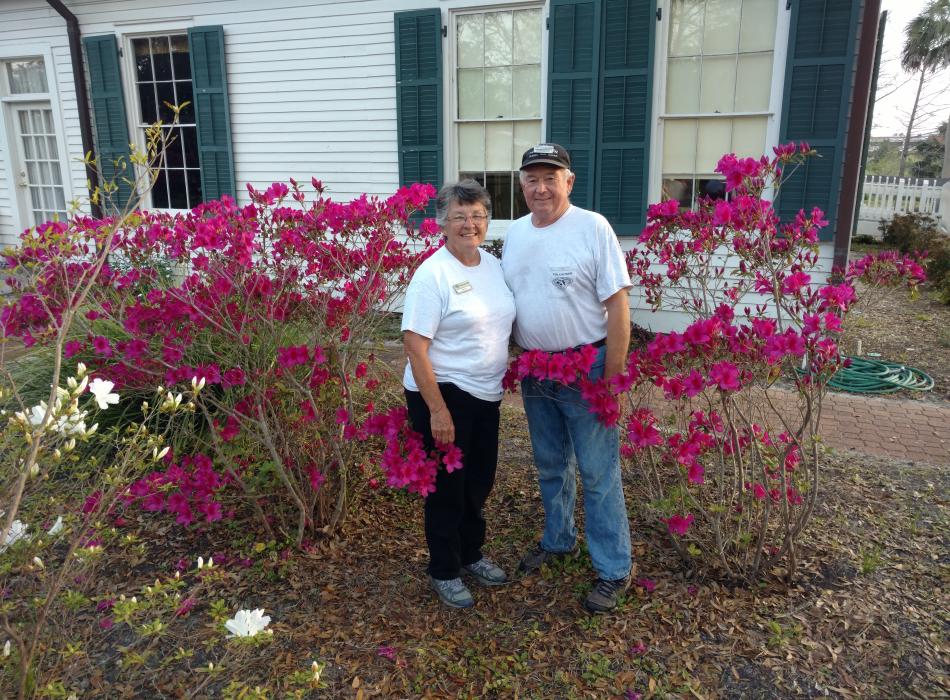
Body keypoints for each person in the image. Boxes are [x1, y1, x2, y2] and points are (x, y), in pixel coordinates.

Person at [501, 143, 633, 613]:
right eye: (532, 179)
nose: (541, 187)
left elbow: (618, 305)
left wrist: (611, 380)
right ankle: (558, 540)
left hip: (589, 367)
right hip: (538, 369)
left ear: (568, 182)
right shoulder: (515, 234)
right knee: (551, 464)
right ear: (522, 185)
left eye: (550, 178)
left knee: (599, 473)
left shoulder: (592, 227)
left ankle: (613, 568)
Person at [402, 179, 516, 609]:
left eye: (478, 215)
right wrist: (437, 411)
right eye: (459, 217)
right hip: (444, 392)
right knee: (447, 487)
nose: (470, 224)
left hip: (486, 393)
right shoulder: (432, 274)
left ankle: (471, 554)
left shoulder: (492, 265)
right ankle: (445, 570)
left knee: (479, 481)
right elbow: (415, 345)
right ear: (441, 223)